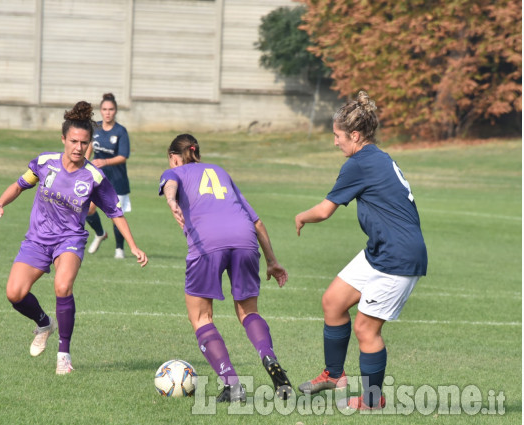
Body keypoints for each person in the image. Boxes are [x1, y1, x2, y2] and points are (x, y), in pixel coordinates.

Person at [0, 101, 148, 375]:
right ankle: (44, 323)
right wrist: (0, 203)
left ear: (90, 144)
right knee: (14, 293)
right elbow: (20, 184)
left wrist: (133, 246)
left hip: (69, 240)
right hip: (37, 239)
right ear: (63, 139)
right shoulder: (43, 163)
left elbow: (115, 213)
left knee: (63, 286)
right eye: (73, 141)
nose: (78, 147)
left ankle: (64, 355)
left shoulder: (94, 177)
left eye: (84, 143)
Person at [295, 91, 427, 410]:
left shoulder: (359, 163)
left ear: (354, 135)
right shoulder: (376, 156)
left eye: (338, 136)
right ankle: (333, 374)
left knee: (365, 328)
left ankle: (372, 399)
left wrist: (300, 216)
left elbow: (325, 211)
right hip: (380, 250)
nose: (335, 142)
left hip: (398, 257)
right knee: (333, 301)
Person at [158, 134, 293, 403]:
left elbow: (171, 183)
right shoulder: (220, 171)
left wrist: (171, 200)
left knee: (201, 318)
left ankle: (232, 384)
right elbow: (256, 221)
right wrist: (272, 261)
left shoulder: (174, 171)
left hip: (208, 243)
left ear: (174, 156)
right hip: (244, 238)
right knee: (248, 312)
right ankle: (269, 358)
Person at [85, 93, 132, 259]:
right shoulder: (95, 128)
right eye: (104, 109)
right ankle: (100, 233)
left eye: (111, 109)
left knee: (116, 215)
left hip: (117, 181)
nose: (107, 112)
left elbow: (123, 156)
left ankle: (119, 249)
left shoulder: (120, 131)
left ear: (116, 111)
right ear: (101, 111)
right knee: (88, 209)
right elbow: (89, 148)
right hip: (97, 178)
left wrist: (104, 162)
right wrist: (83, 163)